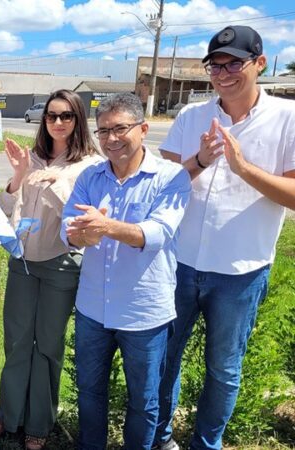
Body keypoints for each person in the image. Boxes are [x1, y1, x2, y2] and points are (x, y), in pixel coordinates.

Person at [153, 26, 295, 450]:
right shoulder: (191, 116)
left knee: (223, 369)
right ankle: (160, 439)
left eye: (234, 63)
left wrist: (242, 168)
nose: (223, 74)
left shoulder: (287, 118)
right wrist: (199, 160)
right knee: (163, 359)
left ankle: (206, 444)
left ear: (260, 63)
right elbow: (162, 185)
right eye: (215, 66)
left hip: (240, 270)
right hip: (179, 263)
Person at [60, 93, 191, 450]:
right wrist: (79, 234)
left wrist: (104, 227)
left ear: (143, 129)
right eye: (103, 131)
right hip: (93, 309)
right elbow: (67, 227)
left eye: (120, 128)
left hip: (144, 312)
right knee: (89, 391)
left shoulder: (171, 177)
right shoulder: (91, 176)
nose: (111, 139)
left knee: (144, 400)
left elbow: (158, 233)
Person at [0, 89, 102, 450]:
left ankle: (39, 421)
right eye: (52, 115)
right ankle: (10, 414)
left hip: (61, 263)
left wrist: (56, 186)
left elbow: (80, 219)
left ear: (78, 120)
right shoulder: (34, 157)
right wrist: (18, 175)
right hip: (23, 261)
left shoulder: (90, 164)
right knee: (17, 341)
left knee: (48, 344)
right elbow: (6, 207)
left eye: (66, 116)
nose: (58, 122)